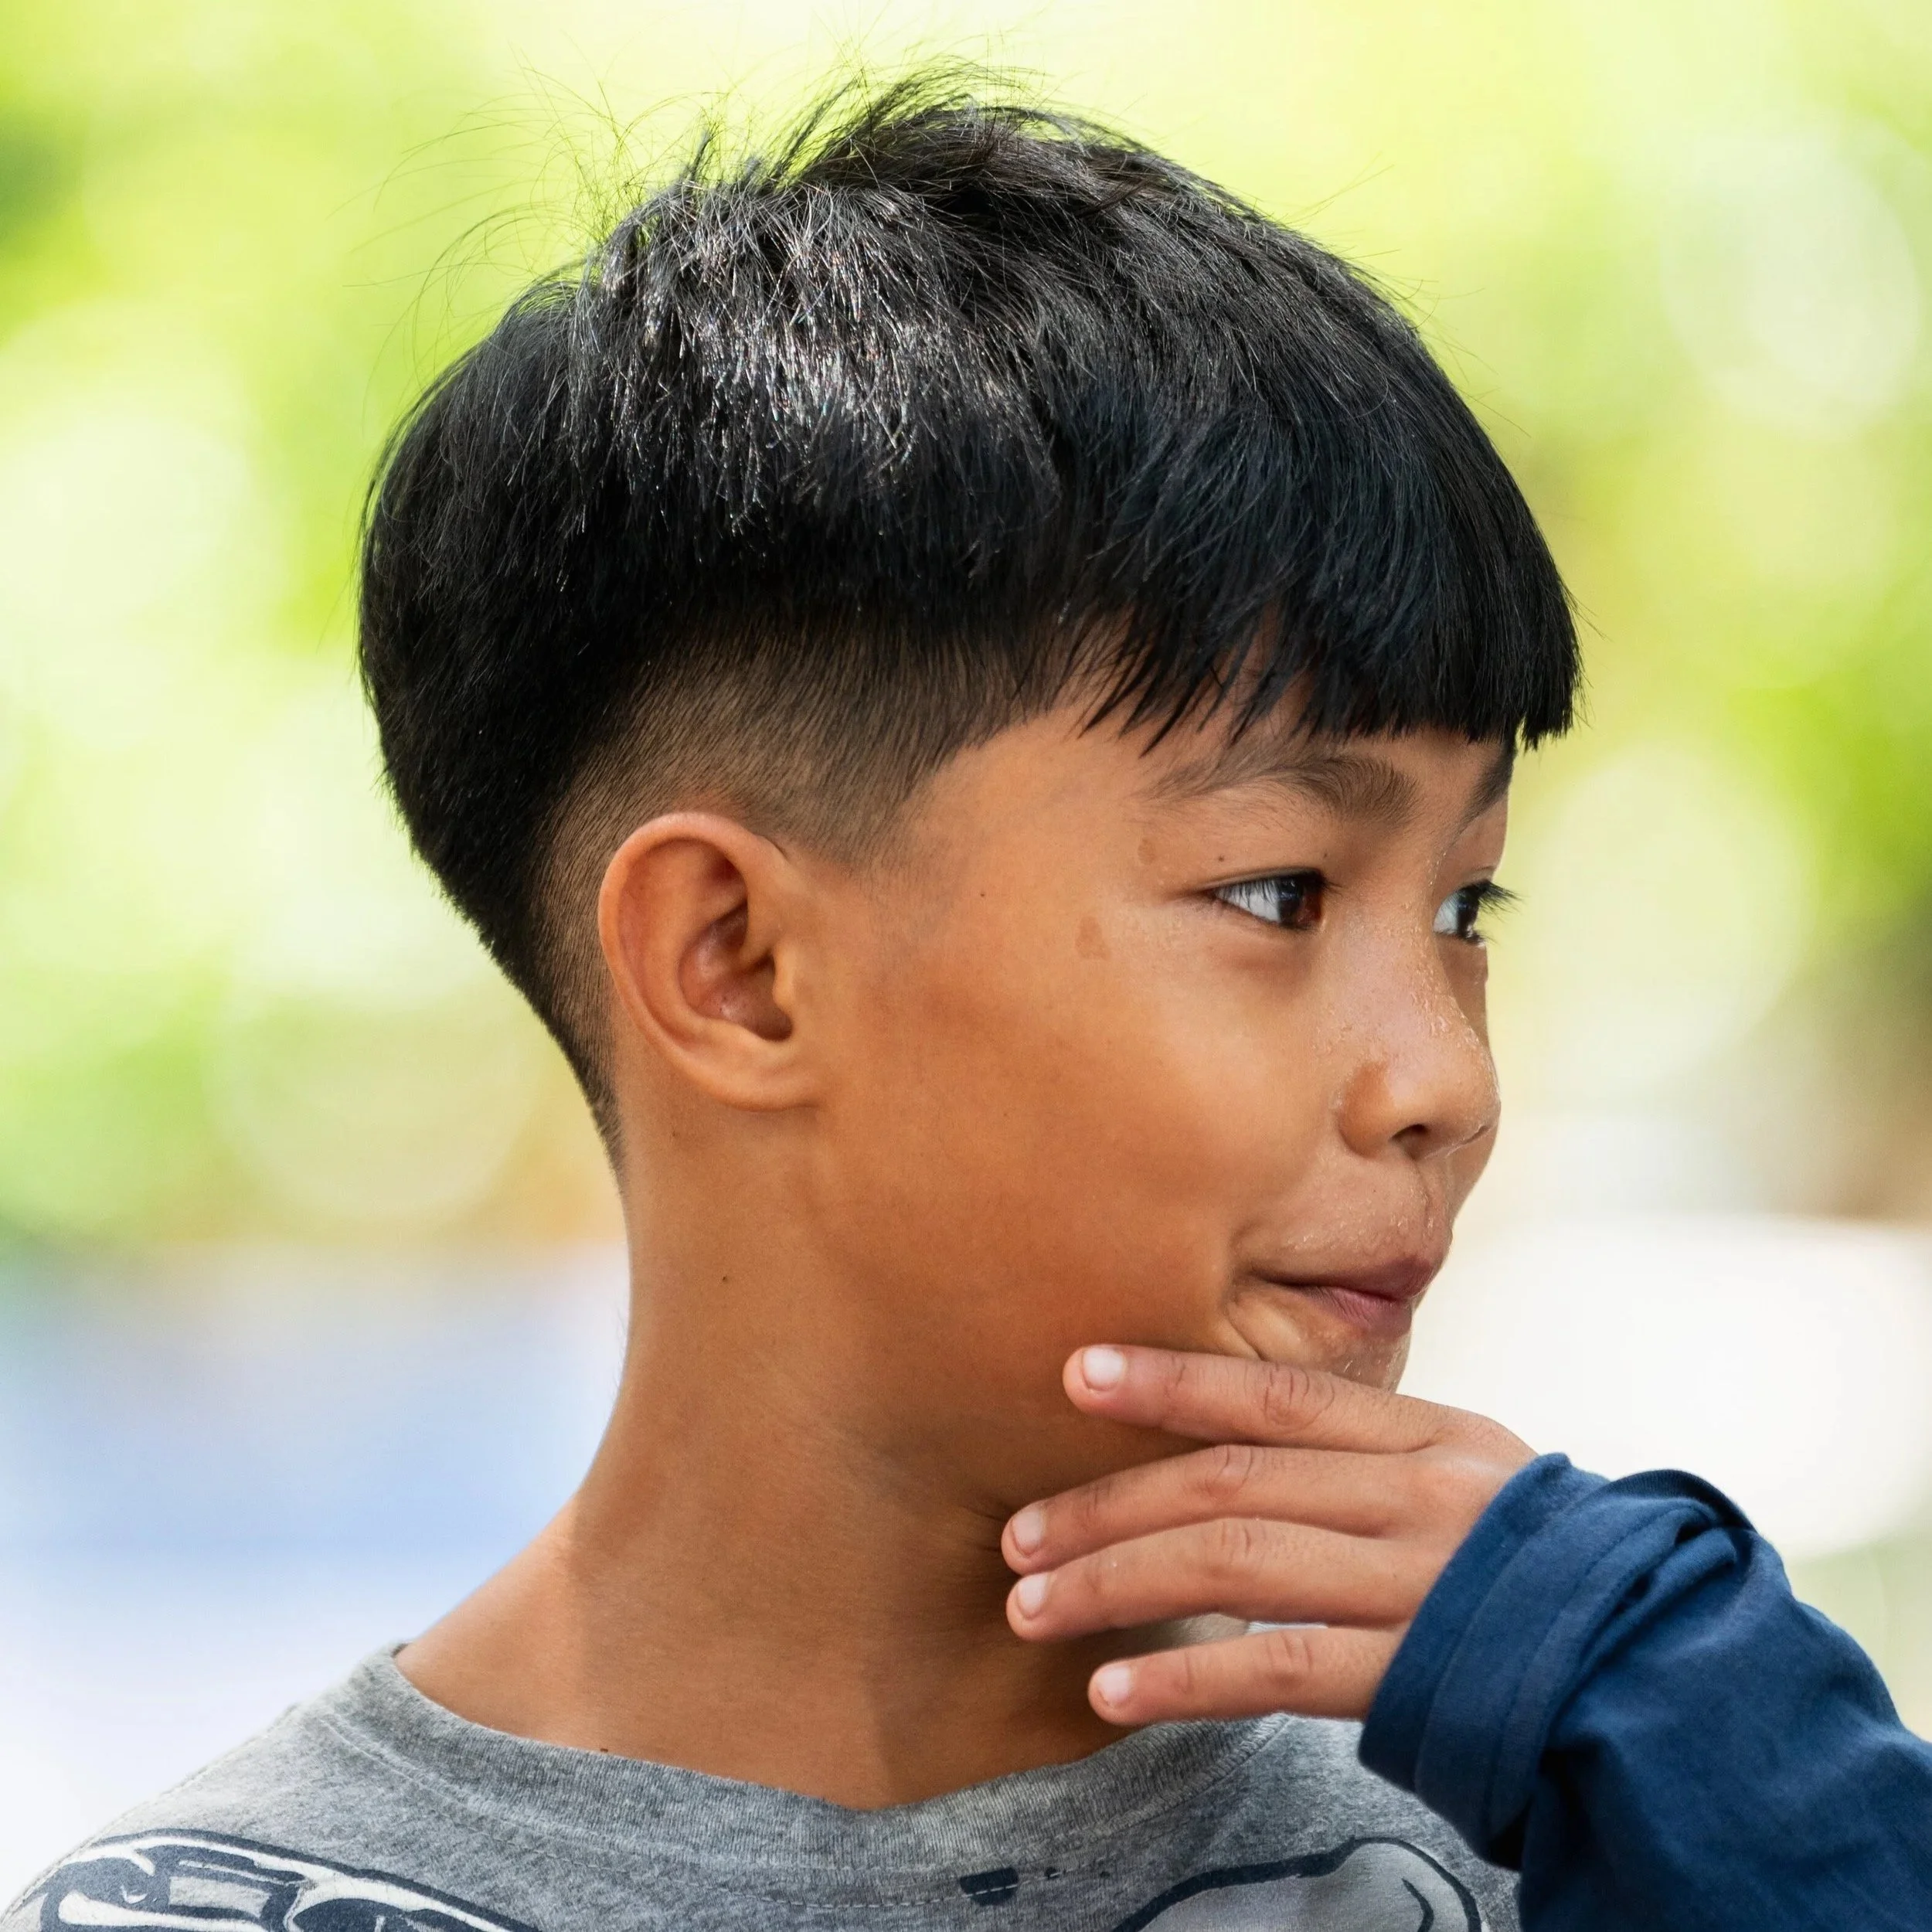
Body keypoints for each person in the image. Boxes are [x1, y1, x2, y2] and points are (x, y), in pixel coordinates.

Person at [11, 73, 1929, 1932]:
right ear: (736, 964)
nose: (1446, 1078)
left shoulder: (1599, 1817)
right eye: (1278, 889)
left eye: (1461, 903)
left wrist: (1710, 1724)